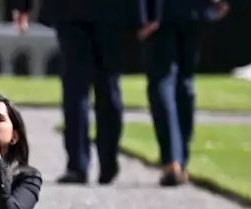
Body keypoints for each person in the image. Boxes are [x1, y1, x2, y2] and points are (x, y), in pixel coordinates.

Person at [13, 0, 134, 184]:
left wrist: (23, 5)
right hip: (111, 10)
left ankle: (78, 165)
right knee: (107, 85)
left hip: (71, 9)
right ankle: (107, 162)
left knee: (76, 88)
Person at [138, 0, 230, 187]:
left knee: (162, 80)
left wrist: (144, 13)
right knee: (185, 81)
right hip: (193, 10)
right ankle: (180, 159)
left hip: (162, 10)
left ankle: (172, 159)